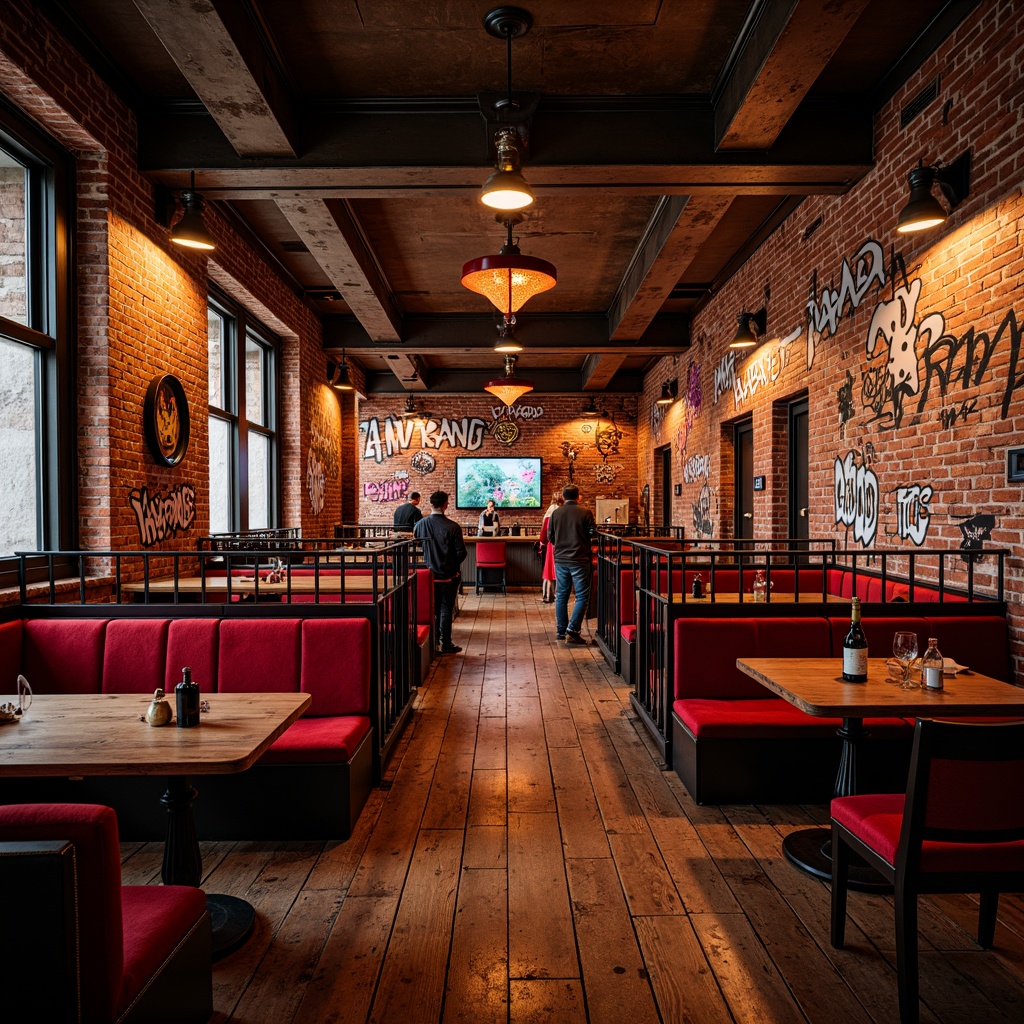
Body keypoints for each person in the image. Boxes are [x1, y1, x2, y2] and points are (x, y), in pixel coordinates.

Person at [414, 490, 467, 654]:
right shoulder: (453, 527)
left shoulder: (420, 525)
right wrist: (452, 569)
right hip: (448, 576)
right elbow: (461, 553)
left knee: (434, 610)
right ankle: (446, 644)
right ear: (445, 505)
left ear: (431, 504)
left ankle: (434, 643)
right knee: (445, 610)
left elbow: (417, 547)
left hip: (428, 576)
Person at [548, 484, 596, 645]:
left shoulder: (556, 513)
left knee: (561, 595)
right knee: (582, 596)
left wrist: (561, 546)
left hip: (561, 559)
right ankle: (573, 629)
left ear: (563, 497)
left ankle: (561, 630)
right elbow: (593, 534)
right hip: (580, 559)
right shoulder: (585, 512)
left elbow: (550, 537)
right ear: (578, 496)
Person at [537, 491, 563, 603]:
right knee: (559, 571)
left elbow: (543, 535)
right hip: (562, 546)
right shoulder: (562, 512)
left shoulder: (549, 513)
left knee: (549, 571)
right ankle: (559, 595)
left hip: (551, 546)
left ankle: (547, 595)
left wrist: (543, 543)